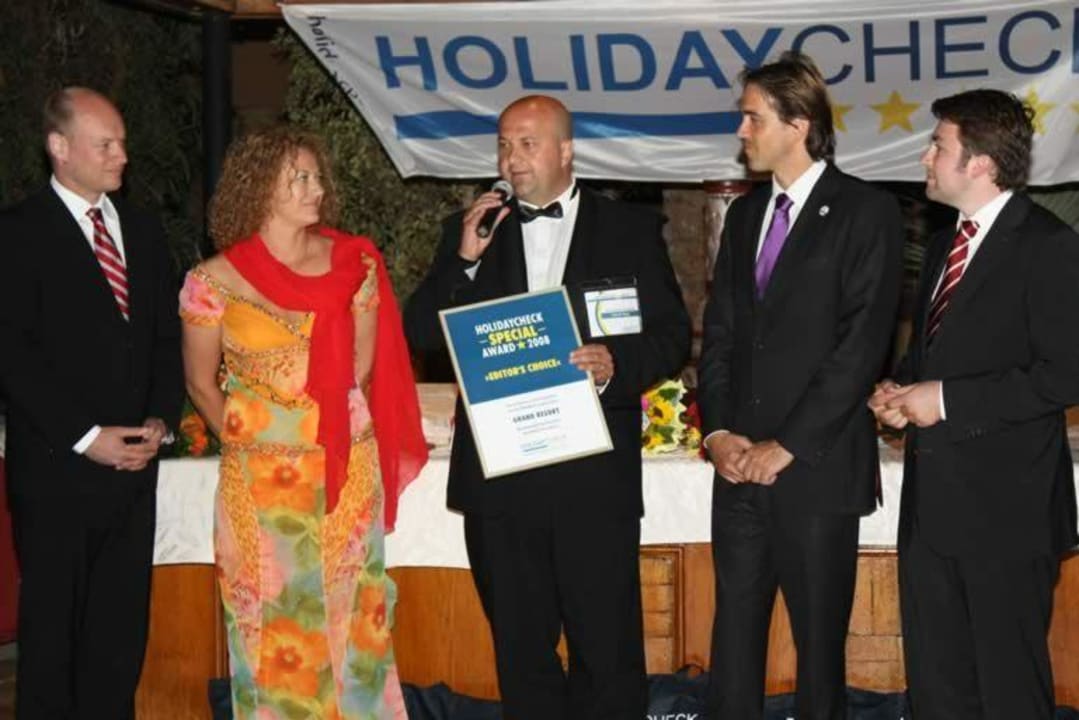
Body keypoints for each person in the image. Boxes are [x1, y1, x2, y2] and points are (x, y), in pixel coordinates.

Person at [404, 95, 690, 719]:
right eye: (504, 144)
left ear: (566, 150)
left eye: (527, 144)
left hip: (594, 480)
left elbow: (672, 336)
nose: (512, 158)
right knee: (521, 656)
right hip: (501, 485)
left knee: (607, 654)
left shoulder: (628, 230)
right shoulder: (473, 229)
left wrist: (616, 363)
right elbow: (421, 332)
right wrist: (464, 260)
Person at [180, 127, 427, 719]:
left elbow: (360, 369)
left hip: (346, 469)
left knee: (352, 618)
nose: (316, 188)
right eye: (300, 178)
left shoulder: (352, 265)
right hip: (259, 484)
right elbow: (200, 384)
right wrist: (254, 443)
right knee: (269, 622)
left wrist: (320, 434)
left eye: (317, 177)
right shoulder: (211, 282)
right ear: (260, 187)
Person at [696, 52, 903, 719]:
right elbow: (720, 335)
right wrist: (718, 432)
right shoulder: (746, 215)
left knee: (817, 655)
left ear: (798, 123)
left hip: (814, 469)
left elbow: (860, 348)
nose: (742, 131)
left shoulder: (865, 212)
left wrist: (785, 445)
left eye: (753, 118)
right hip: (737, 471)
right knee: (733, 645)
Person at [869, 89, 1079, 719]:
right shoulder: (943, 244)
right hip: (931, 512)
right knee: (939, 691)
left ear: (980, 163)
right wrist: (899, 393)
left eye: (938, 146)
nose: (925, 158)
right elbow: (932, 359)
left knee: (1008, 692)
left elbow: (1067, 373)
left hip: (1006, 515)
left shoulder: (1048, 245)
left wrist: (945, 400)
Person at [0, 87, 183, 718]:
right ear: (59, 146)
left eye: (123, 143)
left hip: (133, 472)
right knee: (53, 642)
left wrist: (161, 419)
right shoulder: (16, 233)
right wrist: (86, 436)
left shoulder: (144, 229)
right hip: (58, 473)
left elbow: (165, 336)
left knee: (118, 639)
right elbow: (12, 355)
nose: (121, 156)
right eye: (105, 144)